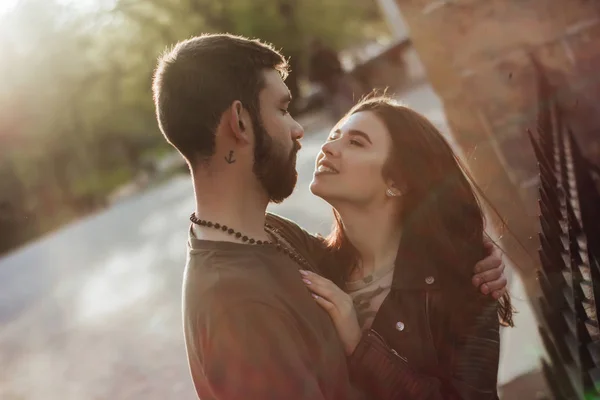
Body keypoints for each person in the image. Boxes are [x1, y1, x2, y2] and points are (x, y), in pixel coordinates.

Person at [152, 33, 508, 399]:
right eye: (282, 108)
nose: (300, 130)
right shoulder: (238, 304)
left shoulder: (276, 237)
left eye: (355, 142)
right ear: (240, 123)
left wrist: (467, 248)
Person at [300, 95, 513, 399]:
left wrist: (360, 346)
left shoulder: (459, 283)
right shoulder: (308, 262)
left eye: (356, 143)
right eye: (334, 136)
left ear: (397, 182)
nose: (328, 147)